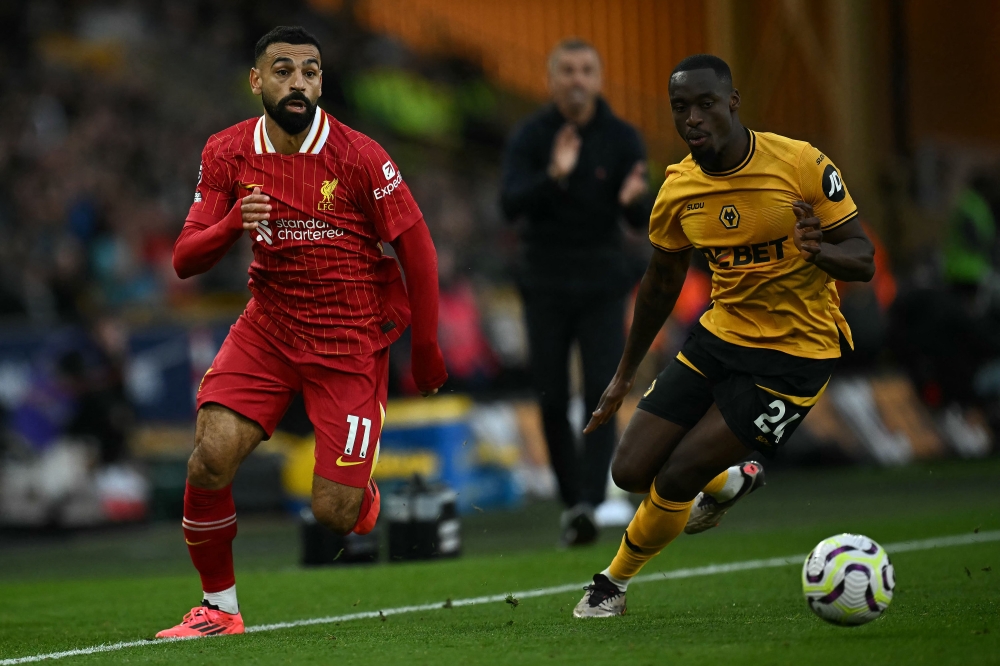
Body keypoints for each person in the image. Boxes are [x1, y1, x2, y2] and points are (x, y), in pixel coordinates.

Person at [156, 26, 448, 637]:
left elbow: (417, 251)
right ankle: (219, 610)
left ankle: (359, 490)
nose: (299, 83)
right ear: (257, 80)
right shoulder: (228, 151)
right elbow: (185, 260)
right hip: (268, 328)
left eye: (310, 71)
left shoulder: (360, 155)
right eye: (283, 70)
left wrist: (425, 347)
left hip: (349, 342)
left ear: (322, 81)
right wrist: (231, 223)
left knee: (335, 516)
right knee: (208, 460)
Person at [572, 54, 875, 617]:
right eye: (680, 108)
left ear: (733, 103)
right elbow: (659, 285)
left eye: (706, 104)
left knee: (678, 472)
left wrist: (821, 251)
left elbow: (864, 259)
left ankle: (611, 583)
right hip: (720, 337)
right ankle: (729, 482)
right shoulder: (678, 190)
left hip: (795, 355)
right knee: (629, 471)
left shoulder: (800, 163)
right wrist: (621, 377)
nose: (693, 118)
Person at [500, 38, 652, 546]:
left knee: (601, 393)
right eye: (566, 70)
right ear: (551, 79)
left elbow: (640, 217)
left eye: (586, 69)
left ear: (599, 78)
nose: (576, 79)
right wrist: (554, 176)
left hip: (603, 283)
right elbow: (509, 204)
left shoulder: (623, 138)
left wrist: (636, 202)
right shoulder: (530, 137)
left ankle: (589, 499)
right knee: (549, 395)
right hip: (543, 282)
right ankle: (573, 502)